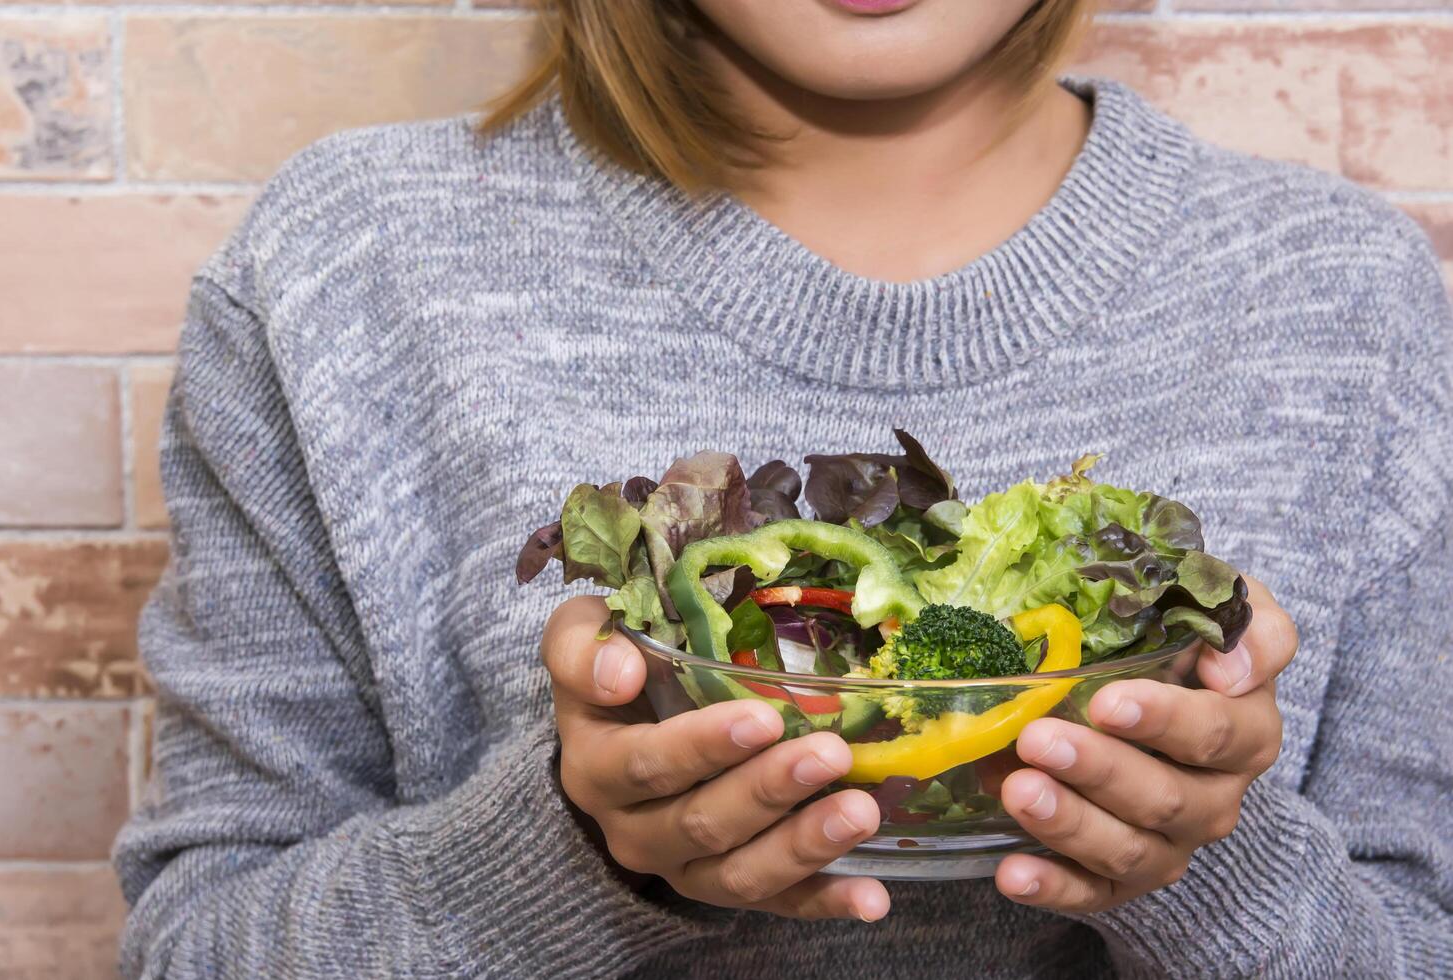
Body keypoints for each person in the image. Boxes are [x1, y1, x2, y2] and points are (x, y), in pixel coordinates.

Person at [112, 0, 1453, 976]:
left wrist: (1202, 854)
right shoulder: (345, 265)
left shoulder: (1340, 293)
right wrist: (575, 851)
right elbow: (198, 949)